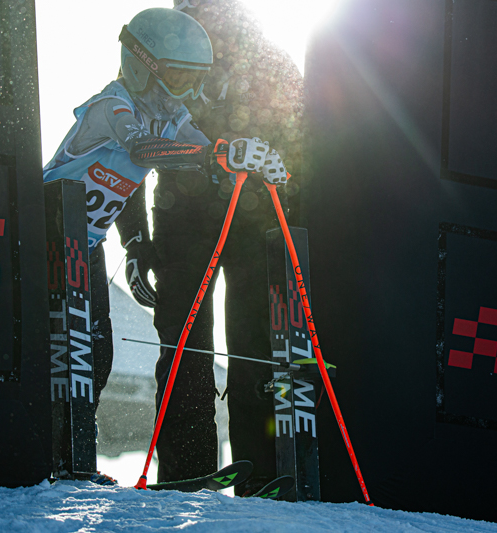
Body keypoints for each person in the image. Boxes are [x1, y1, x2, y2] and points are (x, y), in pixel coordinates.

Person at [41, 7, 281, 485]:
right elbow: (143, 150)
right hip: (45, 233)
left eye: (195, 81)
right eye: (177, 78)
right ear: (142, 65)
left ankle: (71, 461)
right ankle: (52, 456)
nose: (186, 93)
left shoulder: (170, 117)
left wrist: (251, 160)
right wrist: (216, 154)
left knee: (97, 352)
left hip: (85, 244)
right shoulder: (112, 106)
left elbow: (204, 150)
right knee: (65, 351)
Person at [138, 0, 304, 494]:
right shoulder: (159, 50)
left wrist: (291, 205)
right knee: (184, 348)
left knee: (255, 348)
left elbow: (306, 146)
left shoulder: (269, 58)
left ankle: (263, 472)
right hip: (181, 221)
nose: (203, 19)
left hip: (253, 220)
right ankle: (185, 471)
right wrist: (134, 240)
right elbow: (121, 145)